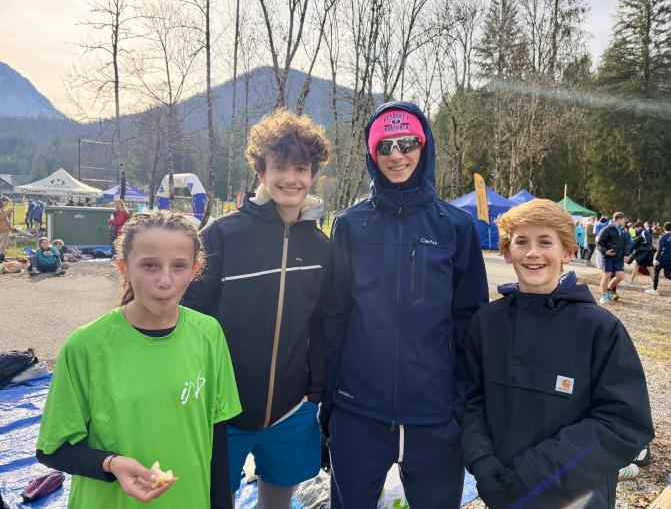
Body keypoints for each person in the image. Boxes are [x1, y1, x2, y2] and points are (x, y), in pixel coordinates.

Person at [322, 101, 489, 509]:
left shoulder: (455, 226)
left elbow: (470, 321)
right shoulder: (349, 225)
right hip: (359, 412)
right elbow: (333, 318)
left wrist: (460, 407)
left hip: (434, 417)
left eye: (407, 143)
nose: (396, 155)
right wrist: (330, 405)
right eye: (385, 146)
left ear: (424, 145)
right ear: (372, 154)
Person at [36, 210, 241, 509]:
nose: (165, 281)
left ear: (195, 270)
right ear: (123, 268)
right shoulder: (86, 345)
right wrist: (111, 463)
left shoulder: (209, 333)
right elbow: (52, 449)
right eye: (149, 265)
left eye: (179, 266)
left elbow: (217, 437)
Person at [460, 198, 654, 509]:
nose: (532, 252)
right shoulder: (486, 323)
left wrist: (532, 472)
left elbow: (624, 423)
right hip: (503, 490)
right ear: (506, 252)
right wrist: (480, 459)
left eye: (545, 242)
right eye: (521, 242)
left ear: (567, 251)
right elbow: (470, 400)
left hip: (576, 498)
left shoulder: (599, 328)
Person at [182, 108, 331, 509]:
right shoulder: (223, 234)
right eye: (279, 166)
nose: (290, 178)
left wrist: (315, 392)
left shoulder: (321, 248)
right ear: (261, 172)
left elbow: (323, 324)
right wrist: (199, 387)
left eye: (300, 168)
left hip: (292, 409)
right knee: (214, 500)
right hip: (221, 410)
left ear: (312, 175)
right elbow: (190, 312)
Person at [597, 212, 630, 304]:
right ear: (619, 219)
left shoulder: (622, 231)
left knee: (620, 276)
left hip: (619, 257)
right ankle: (603, 296)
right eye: (624, 219)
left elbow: (624, 244)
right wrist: (605, 251)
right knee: (607, 275)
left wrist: (626, 254)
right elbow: (599, 243)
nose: (624, 222)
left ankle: (608, 289)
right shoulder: (606, 229)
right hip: (608, 256)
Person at [645, 222, 671, 296]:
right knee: (667, 275)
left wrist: (657, 259)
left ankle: (654, 289)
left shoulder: (664, 237)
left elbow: (660, 248)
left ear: (664, 228)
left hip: (663, 257)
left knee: (656, 272)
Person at [624, 221, 654, 287]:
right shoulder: (646, 232)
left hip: (645, 252)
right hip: (650, 252)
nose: (635, 230)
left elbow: (640, 242)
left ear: (639, 227)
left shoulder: (643, 233)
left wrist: (628, 252)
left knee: (637, 265)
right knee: (650, 267)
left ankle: (631, 281)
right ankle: (655, 283)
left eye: (635, 228)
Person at [0, 196, 13, 263]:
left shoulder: (4, 208)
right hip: (2, 228)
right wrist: (8, 211)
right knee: (1, 243)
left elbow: (6, 218)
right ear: (2, 201)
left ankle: (2, 257)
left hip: (6, 228)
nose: (7, 204)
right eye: (6, 202)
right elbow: (1, 217)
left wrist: (10, 214)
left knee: (4, 244)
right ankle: (0, 258)